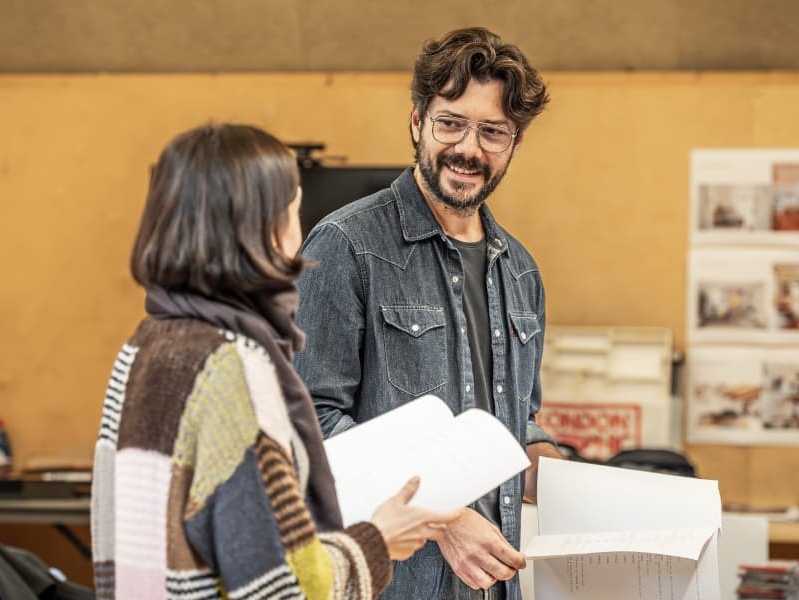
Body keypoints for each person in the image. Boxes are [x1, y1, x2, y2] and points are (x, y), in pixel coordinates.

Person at [90, 123, 457, 600]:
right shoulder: (231, 367)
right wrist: (377, 541)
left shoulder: (144, 346)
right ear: (268, 230)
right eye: (294, 210)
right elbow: (277, 589)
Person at [294, 27, 562, 600]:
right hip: (390, 585)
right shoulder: (344, 246)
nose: (469, 148)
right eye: (451, 123)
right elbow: (312, 425)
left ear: (514, 143)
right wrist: (444, 518)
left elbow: (514, 420)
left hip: (495, 586)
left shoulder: (521, 271)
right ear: (417, 122)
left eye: (493, 132)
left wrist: (560, 471)